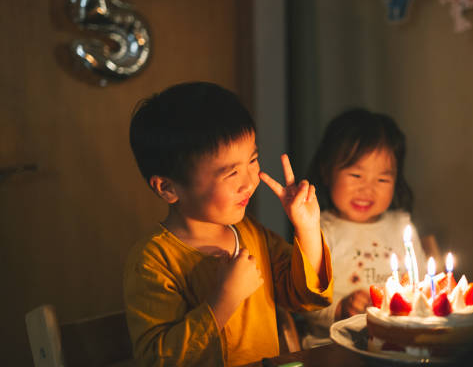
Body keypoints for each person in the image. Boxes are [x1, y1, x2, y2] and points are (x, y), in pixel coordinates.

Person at [123, 82, 332, 367]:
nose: (249, 181)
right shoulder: (153, 261)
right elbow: (156, 359)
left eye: (253, 160)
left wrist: (307, 228)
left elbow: (306, 299)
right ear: (168, 188)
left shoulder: (251, 234)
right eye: (231, 173)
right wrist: (222, 301)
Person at [300, 107, 427, 348]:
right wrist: (340, 308)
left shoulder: (402, 226)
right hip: (334, 349)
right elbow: (304, 301)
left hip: (396, 346)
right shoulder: (318, 230)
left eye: (382, 179)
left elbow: (420, 287)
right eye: (356, 175)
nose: (367, 190)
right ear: (327, 172)